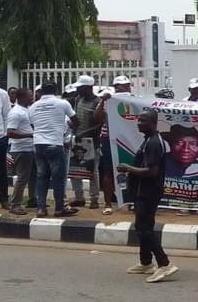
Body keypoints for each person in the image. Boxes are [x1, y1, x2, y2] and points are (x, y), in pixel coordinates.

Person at [119, 109, 179, 282]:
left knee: (144, 228)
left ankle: (165, 264)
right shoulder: (148, 140)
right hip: (142, 190)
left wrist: (127, 168)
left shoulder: (154, 143)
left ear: (153, 123)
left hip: (149, 191)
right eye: (138, 119)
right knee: (143, 226)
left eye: (143, 120)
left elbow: (152, 172)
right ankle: (146, 263)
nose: (139, 122)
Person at [30, 82, 79, 217]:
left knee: (41, 177)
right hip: (55, 144)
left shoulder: (33, 106)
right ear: (56, 90)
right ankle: (59, 208)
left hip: (38, 144)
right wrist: (69, 130)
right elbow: (76, 120)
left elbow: (33, 124)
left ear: (41, 91)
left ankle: (41, 209)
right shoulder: (62, 103)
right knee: (58, 178)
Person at [94, 75, 132, 215]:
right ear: (116, 87)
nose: (126, 87)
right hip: (109, 139)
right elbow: (96, 118)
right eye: (123, 85)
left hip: (129, 140)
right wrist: (103, 100)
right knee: (108, 171)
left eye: (127, 85)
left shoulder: (133, 99)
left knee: (130, 171)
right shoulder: (108, 101)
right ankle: (108, 203)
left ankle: (130, 201)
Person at [69, 75, 102, 209]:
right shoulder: (78, 99)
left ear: (88, 88)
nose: (78, 90)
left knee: (92, 171)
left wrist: (83, 132)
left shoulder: (97, 102)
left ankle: (94, 198)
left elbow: (99, 123)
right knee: (74, 169)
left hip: (91, 141)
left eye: (80, 88)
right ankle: (79, 197)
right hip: (77, 139)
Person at [6, 88, 35, 215]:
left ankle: (32, 199)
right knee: (22, 177)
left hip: (30, 148)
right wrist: (30, 135)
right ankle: (15, 204)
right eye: (30, 96)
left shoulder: (26, 110)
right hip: (22, 149)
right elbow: (10, 132)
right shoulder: (16, 113)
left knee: (33, 175)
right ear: (21, 97)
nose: (32, 98)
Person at [0, 85, 10, 209]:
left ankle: (4, 199)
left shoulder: (2, 94)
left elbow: (7, 115)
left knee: (1, 170)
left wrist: (6, 134)